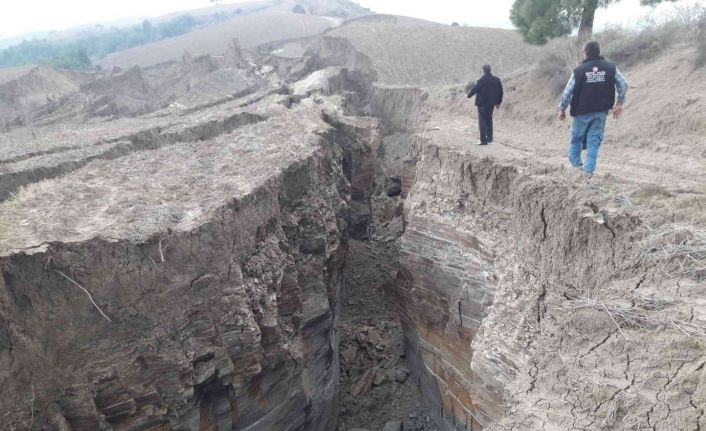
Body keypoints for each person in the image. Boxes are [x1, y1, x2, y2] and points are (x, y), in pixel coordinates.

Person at [559, 40, 628, 176]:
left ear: (585, 53)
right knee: (594, 140)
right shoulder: (610, 67)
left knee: (576, 139)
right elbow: (623, 84)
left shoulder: (579, 70)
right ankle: (588, 171)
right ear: (598, 51)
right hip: (601, 112)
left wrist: (562, 108)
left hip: (581, 112)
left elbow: (567, 92)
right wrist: (619, 103)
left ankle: (575, 167)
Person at [466, 64, 503, 145]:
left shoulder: (481, 80)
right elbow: (500, 92)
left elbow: (474, 90)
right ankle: (489, 138)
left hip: (482, 104)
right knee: (489, 120)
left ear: (483, 71)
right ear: (490, 70)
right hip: (491, 104)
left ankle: (483, 141)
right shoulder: (496, 80)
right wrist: (498, 102)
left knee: (482, 121)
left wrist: (468, 95)